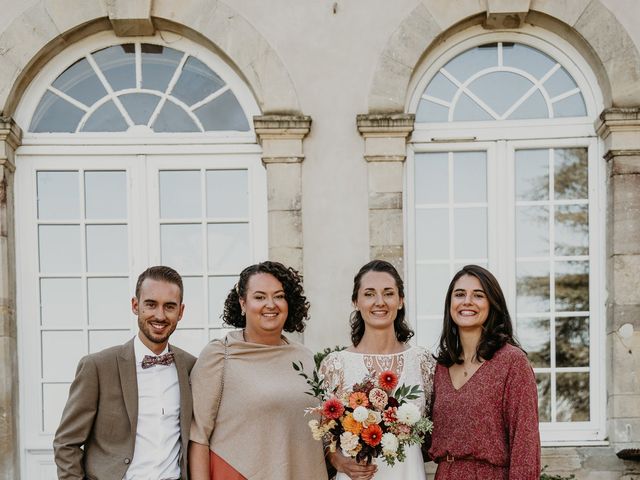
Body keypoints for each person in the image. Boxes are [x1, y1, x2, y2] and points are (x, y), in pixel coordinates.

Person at [53, 265, 197, 480]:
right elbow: (66, 444)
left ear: (181, 311)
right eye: (151, 304)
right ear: (135, 305)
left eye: (169, 306)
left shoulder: (191, 367)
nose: (160, 315)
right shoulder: (98, 367)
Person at [188, 260, 328, 480]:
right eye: (260, 297)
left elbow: (319, 431)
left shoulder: (305, 357)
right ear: (243, 303)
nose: (270, 304)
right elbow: (197, 437)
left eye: (279, 296)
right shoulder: (219, 355)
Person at [320, 259, 436, 480]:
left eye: (388, 293)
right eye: (369, 293)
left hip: (408, 473)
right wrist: (340, 462)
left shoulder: (423, 362)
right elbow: (324, 438)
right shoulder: (335, 364)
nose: (379, 302)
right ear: (356, 301)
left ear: (400, 301)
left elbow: (431, 430)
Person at [429, 264, 541, 479]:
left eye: (478, 295)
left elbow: (525, 444)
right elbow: (427, 440)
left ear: (492, 304)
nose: (467, 301)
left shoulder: (512, 362)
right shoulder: (441, 367)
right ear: (449, 304)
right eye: (459, 294)